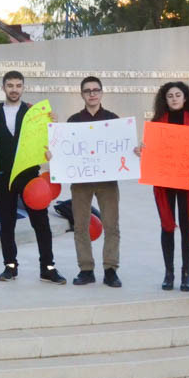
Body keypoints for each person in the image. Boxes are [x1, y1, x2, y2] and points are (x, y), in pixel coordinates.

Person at [0, 70, 65, 285]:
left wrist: (54, 124)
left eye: (18, 85)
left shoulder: (35, 113)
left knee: (41, 223)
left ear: (23, 88)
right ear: (3, 87)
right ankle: (10, 266)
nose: (14, 89)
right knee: (7, 223)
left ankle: (48, 268)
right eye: (10, 85)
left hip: (30, 177)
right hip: (3, 176)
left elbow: (51, 140)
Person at [133, 82, 189, 291]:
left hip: (187, 182)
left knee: (187, 226)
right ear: (164, 100)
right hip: (164, 181)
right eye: (169, 96)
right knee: (167, 226)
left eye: (177, 95)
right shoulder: (156, 123)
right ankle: (169, 273)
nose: (174, 98)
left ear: (185, 98)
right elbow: (152, 151)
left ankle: (186, 273)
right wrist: (142, 150)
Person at [54, 76, 123, 288]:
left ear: (101, 93)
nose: (92, 94)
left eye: (95, 90)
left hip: (107, 181)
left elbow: (121, 147)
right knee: (81, 226)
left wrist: (134, 151)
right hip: (81, 181)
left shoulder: (113, 119)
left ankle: (110, 269)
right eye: (87, 90)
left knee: (111, 225)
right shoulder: (73, 121)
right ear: (82, 94)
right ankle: (86, 269)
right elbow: (65, 151)